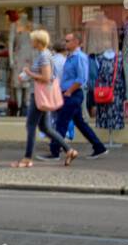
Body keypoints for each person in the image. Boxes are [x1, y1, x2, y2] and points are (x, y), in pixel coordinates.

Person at [13, 29, 75, 168]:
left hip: (39, 96)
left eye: (33, 39)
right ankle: (69, 150)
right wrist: (29, 74)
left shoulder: (44, 56)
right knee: (45, 128)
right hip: (41, 95)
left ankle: (27, 158)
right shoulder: (45, 54)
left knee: (31, 126)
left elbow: (46, 78)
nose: (31, 42)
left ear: (38, 42)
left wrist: (29, 72)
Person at [43, 31, 108, 161]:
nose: (65, 43)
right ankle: (99, 147)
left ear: (76, 42)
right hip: (69, 93)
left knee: (62, 123)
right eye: (65, 40)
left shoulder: (79, 57)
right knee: (80, 123)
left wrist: (69, 91)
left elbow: (81, 78)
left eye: (67, 41)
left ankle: (54, 152)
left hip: (72, 94)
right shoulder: (71, 56)